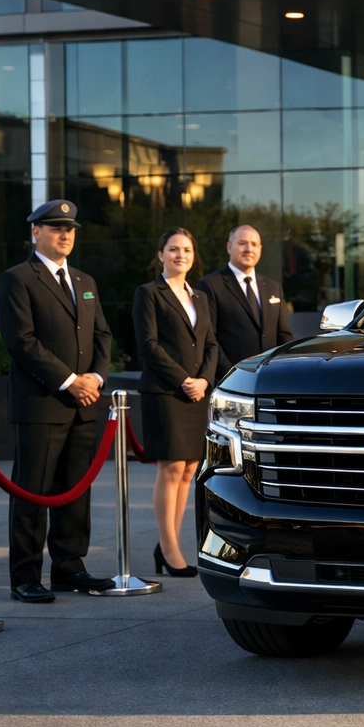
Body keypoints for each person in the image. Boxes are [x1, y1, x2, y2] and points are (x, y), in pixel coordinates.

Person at [0, 200, 114, 602]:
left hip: (85, 404)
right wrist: (69, 381)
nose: (65, 234)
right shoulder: (17, 279)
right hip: (41, 404)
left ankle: (69, 567)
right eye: (55, 227)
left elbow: (102, 335)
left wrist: (94, 377)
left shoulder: (85, 280)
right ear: (35, 233)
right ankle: (25, 576)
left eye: (70, 228)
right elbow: (21, 342)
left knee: (75, 491)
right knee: (33, 492)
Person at [133, 228, 218, 578]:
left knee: (187, 470)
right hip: (166, 392)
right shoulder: (148, 293)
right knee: (169, 469)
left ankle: (169, 543)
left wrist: (204, 381)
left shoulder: (200, 297)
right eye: (173, 249)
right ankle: (169, 549)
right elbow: (149, 345)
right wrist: (183, 379)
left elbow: (212, 343)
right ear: (160, 255)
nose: (180, 255)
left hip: (196, 393)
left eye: (186, 249)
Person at [197, 224, 294, 379]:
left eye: (254, 244)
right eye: (242, 243)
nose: (249, 249)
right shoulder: (210, 285)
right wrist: (231, 374)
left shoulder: (273, 287)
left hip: (271, 377)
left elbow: (284, 336)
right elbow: (209, 338)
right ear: (229, 247)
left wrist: (288, 370)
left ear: (260, 249)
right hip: (230, 380)